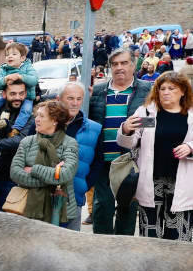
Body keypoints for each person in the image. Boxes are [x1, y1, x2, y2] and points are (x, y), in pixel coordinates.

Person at [117, 72, 193, 241]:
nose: (165, 92)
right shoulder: (149, 114)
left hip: (183, 184)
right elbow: (130, 142)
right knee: (150, 237)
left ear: (182, 91)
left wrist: (190, 147)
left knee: (179, 238)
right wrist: (127, 129)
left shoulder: (190, 116)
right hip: (152, 182)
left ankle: (177, 269)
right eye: (162, 88)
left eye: (171, 88)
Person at [89, 48, 153, 236]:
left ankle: (122, 254)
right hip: (103, 161)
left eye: (124, 63)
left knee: (127, 208)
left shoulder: (147, 89)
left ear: (133, 65)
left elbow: (156, 121)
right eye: (115, 64)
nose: (119, 68)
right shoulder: (99, 90)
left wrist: (131, 125)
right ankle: (101, 254)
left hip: (130, 162)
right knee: (102, 208)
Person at [10, 100, 80, 228]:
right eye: (37, 115)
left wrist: (34, 169)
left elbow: (66, 174)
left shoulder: (70, 143)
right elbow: (15, 173)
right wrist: (52, 179)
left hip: (60, 211)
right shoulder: (27, 142)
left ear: (55, 120)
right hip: (28, 211)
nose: (36, 119)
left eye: (41, 116)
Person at [57, 82, 102, 231]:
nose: (75, 103)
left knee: (69, 246)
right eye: (70, 98)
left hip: (74, 197)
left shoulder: (95, 129)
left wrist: (84, 186)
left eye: (79, 99)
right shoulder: (44, 122)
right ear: (59, 99)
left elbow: (98, 163)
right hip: (43, 196)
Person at [0, 79, 34, 207]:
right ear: (4, 94)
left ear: (26, 94)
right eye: (13, 94)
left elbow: (20, 141)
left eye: (21, 94)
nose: (17, 97)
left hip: (12, 178)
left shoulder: (29, 117)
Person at [0, 42, 39, 135]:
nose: (10, 56)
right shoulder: (3, 69)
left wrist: (19, 76)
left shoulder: (28, 67)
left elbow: (34, 80)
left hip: (27, 97)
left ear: (22, 58)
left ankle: (16, 128)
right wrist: (5, 79)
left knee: (26, 110)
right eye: (7, 55)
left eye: (14, 54)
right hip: (8, 96)